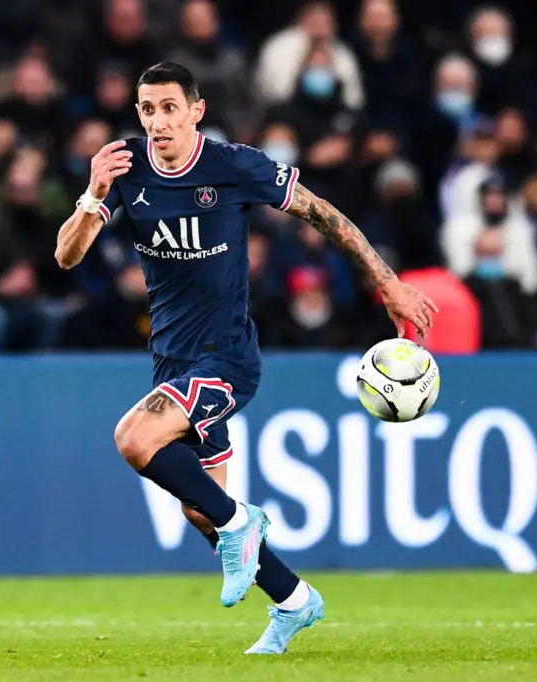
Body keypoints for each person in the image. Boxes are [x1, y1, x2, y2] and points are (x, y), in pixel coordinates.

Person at [54, 62, 437, 654]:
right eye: (148, 109)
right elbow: (67, 257)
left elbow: (323, 214)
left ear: (196, 111)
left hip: (226, 357)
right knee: (200, 512)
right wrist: (92, 195)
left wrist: (387, 282)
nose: (158, 122)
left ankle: (241, 521)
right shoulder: (125, 170)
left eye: (170, 108)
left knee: (134, 438)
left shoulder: (233, 166)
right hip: (172, 361)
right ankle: (293, 599)